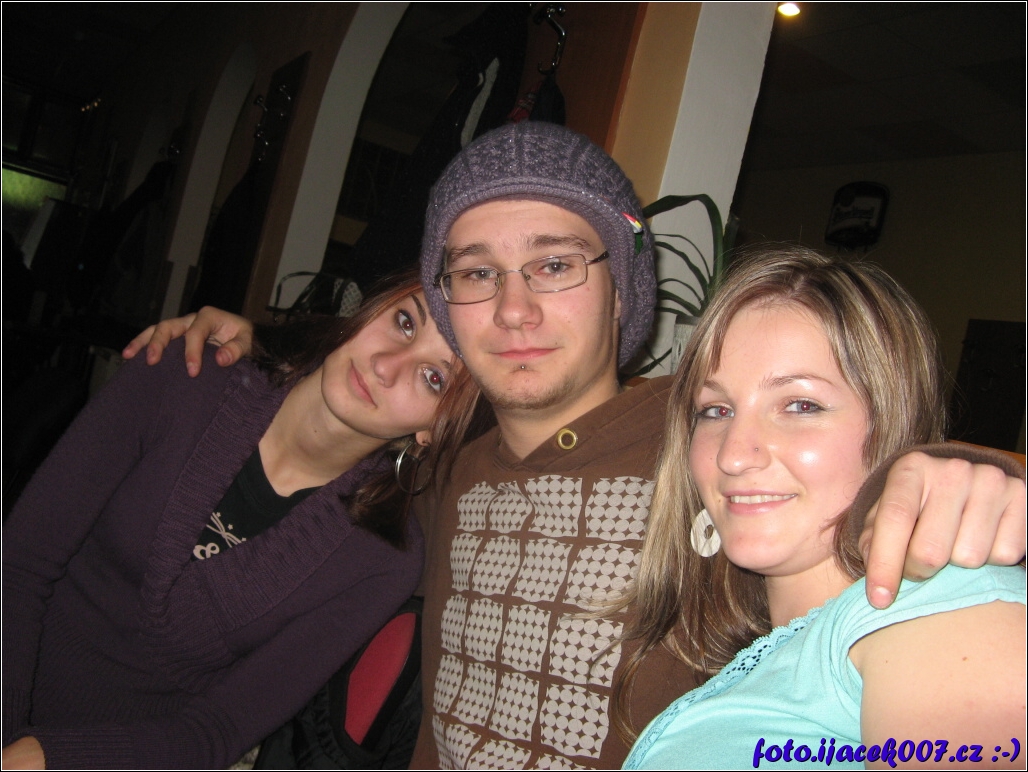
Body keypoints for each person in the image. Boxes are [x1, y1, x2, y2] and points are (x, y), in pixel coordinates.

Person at [120, 122, 1027, 769]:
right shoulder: (438, 465)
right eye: (477, 273)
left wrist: (976, 472)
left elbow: (862, 468)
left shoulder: (705, 438)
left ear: (624, 293)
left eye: (554, 265)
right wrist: (256, 355)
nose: (514, 309)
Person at [2, 271, 483, 769]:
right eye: (404, 322)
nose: (386, 365)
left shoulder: (381, 560)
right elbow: (17, 571)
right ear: (367, 310)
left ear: (435, 430)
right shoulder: (186, 376)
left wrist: (55, 758)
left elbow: (217, 731)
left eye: (433, 378)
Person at [620, 249, 1026, 769]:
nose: (732, 455)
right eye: (716, 410)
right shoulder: (780, 644)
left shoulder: (940, 609)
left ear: (892, 426)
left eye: (800, 405)